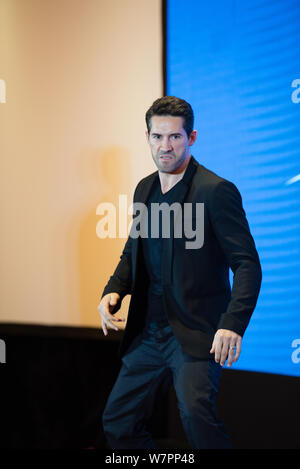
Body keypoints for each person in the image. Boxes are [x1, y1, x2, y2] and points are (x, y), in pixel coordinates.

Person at [98, 96, 262, 449]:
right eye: (157, 137)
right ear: (147, 137)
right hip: (148, 332)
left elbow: (247, 264)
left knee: (196, 417)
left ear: (192, 137)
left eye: (174, 137)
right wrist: (114, 289)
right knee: (118, 422)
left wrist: (232, 323)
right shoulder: (145, 189)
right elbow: (133, 251)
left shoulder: (215, 191)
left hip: (194, 330)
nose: (165, 146)